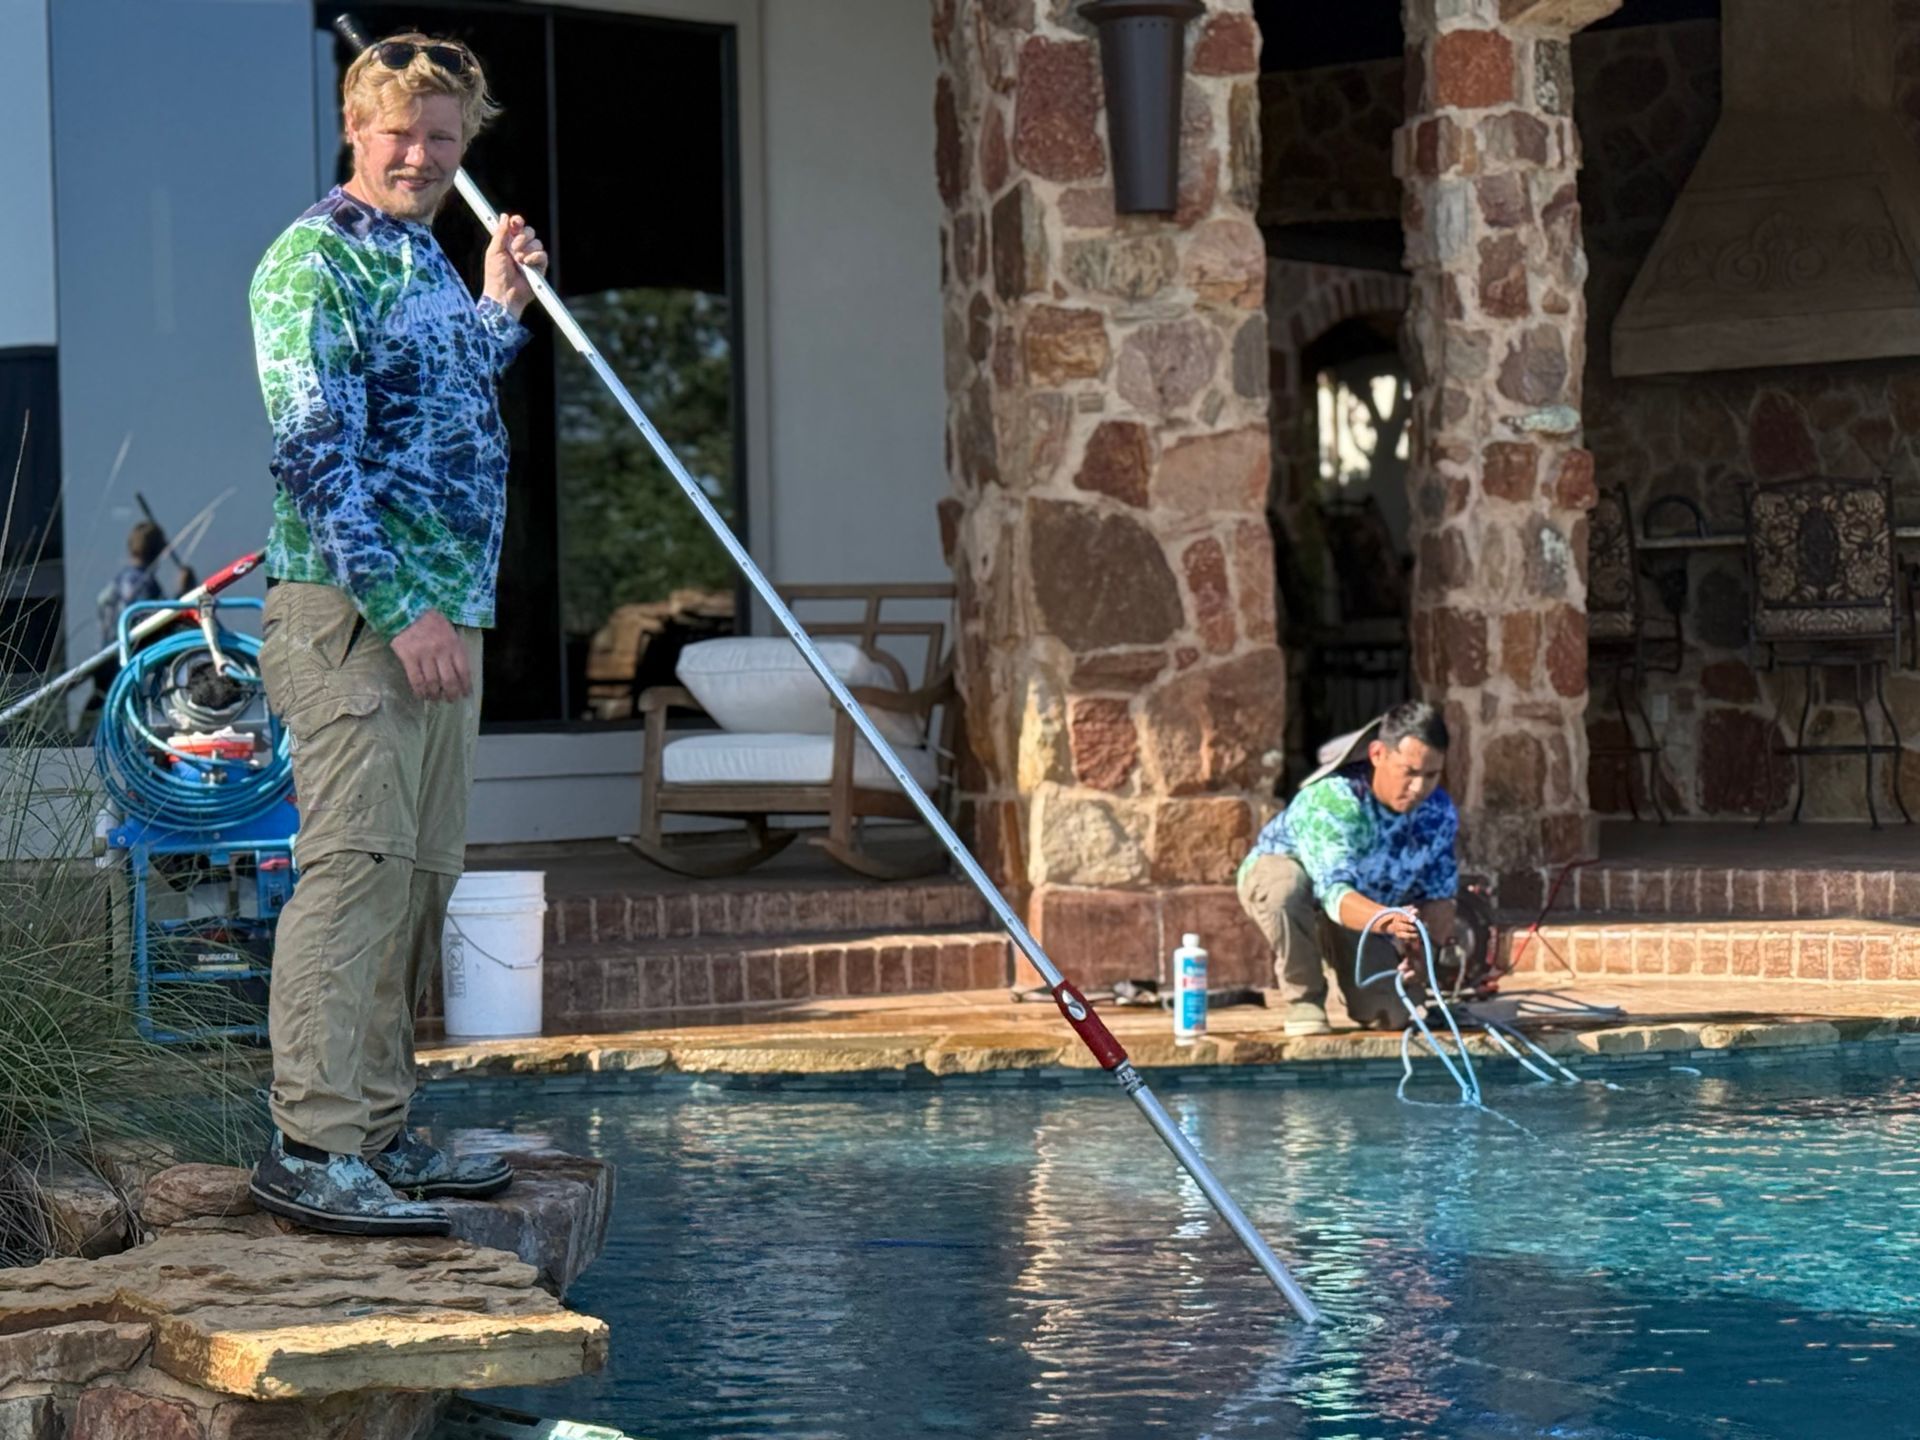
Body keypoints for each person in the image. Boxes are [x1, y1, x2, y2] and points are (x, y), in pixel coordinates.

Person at [245, 32, 547, 1235]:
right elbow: (315, 449)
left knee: (417, 882)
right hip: (357, 615)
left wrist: (499, 306)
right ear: (353, 131)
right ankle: (312, 1150)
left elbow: (439, 403)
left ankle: (375, 1133)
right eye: (398, 133)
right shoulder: (312, 261)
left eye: (442, 137)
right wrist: (400, 604)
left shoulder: (416, 260)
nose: (419, 154)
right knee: (356, 875)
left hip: (437, 620)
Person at [1236, 702, 1459, 1037]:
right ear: (1378, 754)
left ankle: (1362, 975)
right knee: (1286, 888)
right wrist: (1389, 921)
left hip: (1361, 903)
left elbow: (1439, 896)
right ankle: (1304, 999)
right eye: (1409, 772)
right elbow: (1336, 896)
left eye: (1431, 775)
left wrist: (1424, 955)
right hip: (1294, 879)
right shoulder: (1335, 799)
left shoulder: (1438, 812)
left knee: (1394, 1015)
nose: (1419, 788)